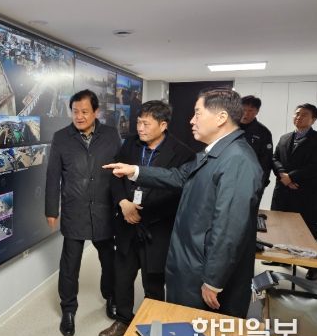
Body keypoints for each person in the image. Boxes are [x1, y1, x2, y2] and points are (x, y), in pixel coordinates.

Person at [103, 89, 262, 318]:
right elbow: (178, 176)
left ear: (221, 118)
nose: (191, 121)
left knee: (198, 331)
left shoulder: (237, 160)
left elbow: (229, 229)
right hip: (190, 262)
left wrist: (213, 280)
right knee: (181, 323)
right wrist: (134, 170)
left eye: (197, 113)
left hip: (202, 269)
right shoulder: (215, 153)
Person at [98, 101, 194, 336]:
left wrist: (142, 211)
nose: (140, 128)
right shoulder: (130, 144)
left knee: (153, 280)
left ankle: (154, 324)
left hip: (157, 227)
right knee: (122, 275)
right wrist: (123, 203)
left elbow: (178, 190)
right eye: (138, 122)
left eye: (146, 124)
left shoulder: (183, 153)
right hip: (126, 222)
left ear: (163, 125)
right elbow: (115, 176)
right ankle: (123, 319)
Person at [45, 89, 121, 336]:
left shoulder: (111, 135)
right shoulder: (61, 137)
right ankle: (68, 310)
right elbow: (53, 176)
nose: (79, 116)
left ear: (96, 112)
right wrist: (51, 209)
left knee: (109, 260)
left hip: (104, 209)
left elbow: (120, 171)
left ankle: (111, 297)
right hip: (74, 210)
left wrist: (124, 202)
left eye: (85, 111)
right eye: (75, 111)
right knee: (70, 264)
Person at [271, 103, 317, 280]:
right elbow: (274, 158)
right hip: (283, 191)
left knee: (306, 232)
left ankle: (312, 266)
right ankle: (282, 259)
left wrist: (291, 177)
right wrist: (283, 175)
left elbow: (315, 166)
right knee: (281, 227)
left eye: (304, 115)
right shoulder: (284, 138)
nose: (299, 117)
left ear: (313, 119)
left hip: (305, 192)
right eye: (297, 114)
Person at [240, 95, 273, 190]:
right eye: (243, 109)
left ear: (257, 112)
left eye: (250, 110)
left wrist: (261, 183)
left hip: (251, 181)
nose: (246, 113)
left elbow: (266, 161)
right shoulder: (228, 127)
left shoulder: (263, 132)